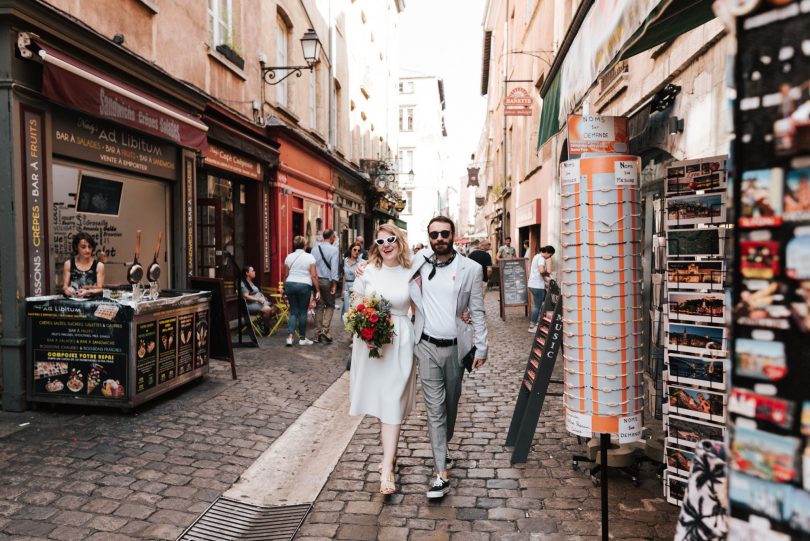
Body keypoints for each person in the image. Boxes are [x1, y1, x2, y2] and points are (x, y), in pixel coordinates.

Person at [411, 216, 489, 500]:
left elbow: (477, 310)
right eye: (434, 234)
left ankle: (445, 445)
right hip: (426, 345)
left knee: (451, 404)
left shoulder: (471, 268)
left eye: (445, 233)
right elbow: (387, 266)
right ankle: (441, 474)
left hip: (457, 347)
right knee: (435, 409)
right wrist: (362, 270)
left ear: (453, 235)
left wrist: (481, 347)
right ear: (428, 237)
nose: (439, 238)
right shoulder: (418, 262)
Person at [348, 223, 416, 495]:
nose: (387, 244)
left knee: (392, 400)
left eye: (391, 239)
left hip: (401, 340)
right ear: (375, 245)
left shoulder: (413, 271)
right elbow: (355, 305)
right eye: (380, 241)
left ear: (400, 241)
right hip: (372, 344)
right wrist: (365, 326)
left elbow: (422, 306)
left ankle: (386, 467)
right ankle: (390, 454)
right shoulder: (367, 271)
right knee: (381, 399)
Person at [283, 236, 320, 347]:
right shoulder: (310, 257)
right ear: (305, 245)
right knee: (303, 312)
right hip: (304, 285)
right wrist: (317, 290)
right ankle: (302, 338)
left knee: (293, 311)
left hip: (290, 284)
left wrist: (285, 288)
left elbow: (285, 275)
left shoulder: (289, 257)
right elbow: (314, 275)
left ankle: (289, 337)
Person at [312, 229, 340, 343]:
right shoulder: (334, 250)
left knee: (319, 306)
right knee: (330, 305)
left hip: (316, 280)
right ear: (332, 237)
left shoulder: (314, 249)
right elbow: (334, 268)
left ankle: (318, 333)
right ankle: (324, 329)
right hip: (327, 281)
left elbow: (312, 266)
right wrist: (334, 284)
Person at [62, 231, 105, 298]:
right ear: (76, 247)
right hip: (74, 300)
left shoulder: (99, 265)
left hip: (92, 301)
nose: (87, 250)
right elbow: (65, 286)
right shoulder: (68, 264)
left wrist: (88, 292)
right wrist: (68, 290)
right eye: (83, 247)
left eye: (90, 247)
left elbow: (100, 289)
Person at [240, 265, 276, 335]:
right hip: (249, 304)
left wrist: (262, 296)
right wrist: (258, 299)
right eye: (252, 271)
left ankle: (261, 321)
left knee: (275, 308)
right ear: (247, 273)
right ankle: (265, 327)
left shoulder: (250, 282)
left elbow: (255, 292)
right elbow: (245, 296)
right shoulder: (244, 283)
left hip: (257, 302)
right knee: (268, 309)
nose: (254, 272)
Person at [527, 245, 555, 332]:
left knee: (542, 303)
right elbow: (542, 271)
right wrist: (548, 273)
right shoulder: (541, 258)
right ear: (547, 252)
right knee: (538, 306)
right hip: (537, 285)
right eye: (550, 255)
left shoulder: (536, 256)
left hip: (533, 284)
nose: (549, 257)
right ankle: (532, 326)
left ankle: (540, 322)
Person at [341, 243, 362, 316]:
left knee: (355, 309)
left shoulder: (361, 262)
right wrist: (342, 291)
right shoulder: (345, 260)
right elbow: (344, 276)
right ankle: (347, 326)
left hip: (356, 287)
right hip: (347, 286)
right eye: (355, 249)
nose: (356, 252)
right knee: (347, 309)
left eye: (358, 250)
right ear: (351, 250)